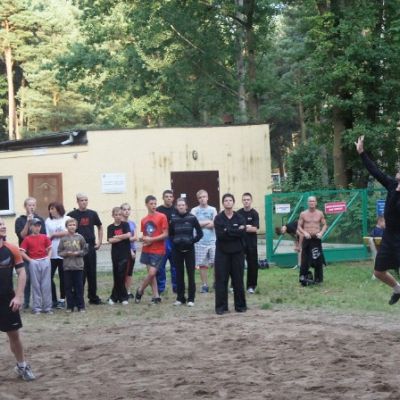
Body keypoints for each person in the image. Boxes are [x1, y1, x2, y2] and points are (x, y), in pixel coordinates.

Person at [356, 135, 400, 304]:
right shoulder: (391, 185)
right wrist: (362, 153)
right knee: (378, 272)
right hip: (389, 237)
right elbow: (375, 171)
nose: (398, 169)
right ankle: (398, 289)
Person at [0, 218, 36, 381]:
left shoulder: (12, 249)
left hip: (7, 299)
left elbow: (22, 272)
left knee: (14, 335)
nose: (2, 226)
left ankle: (22, 366)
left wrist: (19, 296)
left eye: (3, 224)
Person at [214, 193, 247, 315]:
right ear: (223, 203)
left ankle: (240, 306)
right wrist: (235, 231)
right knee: (221, 280)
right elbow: (220, 235)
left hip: (237, 253)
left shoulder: (240, 217)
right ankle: (221, 307)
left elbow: (242, 233)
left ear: (233, 202)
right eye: (226, 200)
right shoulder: (218, 218)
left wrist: (228, 230)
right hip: (222, 253)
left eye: (230, 200)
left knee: (238, 280)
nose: (228, 202)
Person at [68, 193, 103, 305]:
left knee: (92, 273)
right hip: (77, 247)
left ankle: (93, 297)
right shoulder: (71, 215)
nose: (84, 202)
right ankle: (78, 298)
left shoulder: (93, 214)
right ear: (77, 202)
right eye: (82, 200)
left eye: (86, 200)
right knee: (80, 273)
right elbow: (67, 229)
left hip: (90, 246)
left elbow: (100, 226)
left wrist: (100, 241)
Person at [169, 198, 203, 307]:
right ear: (176, 207)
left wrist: (192, 241)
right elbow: (170, 234)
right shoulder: (173, 218)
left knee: (191, 275)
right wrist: (175, 241)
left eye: (183, 205)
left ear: (186, 206)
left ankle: (191, 299)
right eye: (179, 205)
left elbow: (200, 233)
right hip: (177, 251)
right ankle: (180, 298)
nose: (181, 207)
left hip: (189, 251)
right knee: (179, 275)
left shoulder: (192, 218)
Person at [135, 195, 168, 304]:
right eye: (151, 204)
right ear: (146, 205)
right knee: (151, 274)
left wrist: (151, 239)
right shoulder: (144, 220)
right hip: (147, 249)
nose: (154, 206)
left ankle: (140, 290)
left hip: (158, 250)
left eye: (155, 203)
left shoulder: (162, 216)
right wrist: (143, 239)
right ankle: (156, 296)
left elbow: (165, 234)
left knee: (152, 273)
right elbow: (146, 235)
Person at [14, 197, 46, 309]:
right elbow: (22, 236)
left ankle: (41, 302)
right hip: (25, 254)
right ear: (25, 206)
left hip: (38, 254)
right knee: (26, 278)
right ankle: (26, 302)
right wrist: (28, 222)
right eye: (29, 205)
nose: (31, 207)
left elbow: (43, 236)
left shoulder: (40, 219)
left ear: (35, 206)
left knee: (39, 279)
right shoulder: (20, 220)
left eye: (33, 205)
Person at [20, 218, 53, 314]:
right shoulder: (27, 239)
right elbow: (21, 251)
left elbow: (50, 248)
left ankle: (47, 307)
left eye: (39, 226)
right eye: (35, 226)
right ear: (31, 227)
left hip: (45, 261)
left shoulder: (44, 237)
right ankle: (37, 308)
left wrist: (48, 258)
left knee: (46, 285)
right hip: (34, 262)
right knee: (36, 285)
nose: (37, 228)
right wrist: (30, 260)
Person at [58, 218, 88, 312]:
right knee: (68, 287)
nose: (72, 227)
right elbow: (59, 252)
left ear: (76, 226)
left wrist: (78, 253)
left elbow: (85, 250)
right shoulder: (63, 239)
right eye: (70, 225)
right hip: (67, 267)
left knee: (79, 287)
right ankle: (70, 306)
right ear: (66, 227)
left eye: (73, 225)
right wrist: (66, 253)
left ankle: (81, 306)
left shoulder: (80, 237)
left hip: (78, 267)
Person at [191, 190, 217, 293]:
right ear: (198, 199)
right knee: (202, 265)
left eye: (204, 197)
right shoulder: (194, 210)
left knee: (216, 263)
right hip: (200, 242)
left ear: (207, 197)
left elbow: (214, 223)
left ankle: (216, 282)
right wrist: (208, 221)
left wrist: (201, 224)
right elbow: (194, 224)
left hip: (212, 241)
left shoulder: (213, 209)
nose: (202, 199)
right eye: (200, 197)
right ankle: (204, 285)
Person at [297, 196, 327, 286]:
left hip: (316, 239)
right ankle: (303, 278)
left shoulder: (320, 213)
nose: (312, 203)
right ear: (308, 203)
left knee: (317, 259)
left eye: (313, 201)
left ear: (316, 202)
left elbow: (325, 225)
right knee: (305, 259)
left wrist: (321, 233)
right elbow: (299, 226)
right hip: (307, 239)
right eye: (310, 201)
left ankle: (318, 279)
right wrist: (304, 232)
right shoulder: (303, 214)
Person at [45, 202, 69, 309]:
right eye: (50, 209)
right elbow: (47, 237)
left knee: (63, 277)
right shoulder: (48, 221)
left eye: (52, 208)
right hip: (52, 253)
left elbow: (69, 232)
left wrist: (54, 234)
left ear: (59, 209)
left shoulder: (67, 219)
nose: (51, 211)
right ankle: (53, 300)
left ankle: (62, 299)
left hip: (64, 253)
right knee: (48, 276)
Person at [107, 207, 132, 305]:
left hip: (124, 253)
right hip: (115, 254)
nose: (118, 216)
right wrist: (122, 237)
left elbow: (128, 235)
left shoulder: (125, 225)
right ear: (113, 216)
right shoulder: (110, 227)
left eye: (119, 215)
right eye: (116, 215)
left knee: (121, 274)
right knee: (116, 274)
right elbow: (110, 240)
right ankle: (117, 297)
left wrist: (117, 237)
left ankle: (121, 297)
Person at [237, 193, 259, 294]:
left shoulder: (254, 213)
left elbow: (254, 229)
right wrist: (248, 227)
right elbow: (236, 228)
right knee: (238, 265)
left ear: (251, 201)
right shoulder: (238, 213)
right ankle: (236, 285)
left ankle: (251, 286)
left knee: (252, 265)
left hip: (251, 244)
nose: (246, 201)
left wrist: (244, 227)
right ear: (242, 201)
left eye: (248, 199)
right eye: (244, 200)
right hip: (240, 243)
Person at [156, 190, 177, 294]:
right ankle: (160, 288)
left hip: (174, 240)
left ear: (173, 198)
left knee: (175, 265)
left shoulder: (176, 210)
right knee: (161, 266)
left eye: (170, 196)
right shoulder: (158, 210)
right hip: (162, 240)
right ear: (163, 198)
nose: (169, 198)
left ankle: (176, 287)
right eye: (166, 196)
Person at [120, 203, 138, 298]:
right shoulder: (120, 224)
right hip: (124, 250)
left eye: (128, 209)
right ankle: (121, 291)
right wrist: (126, 239)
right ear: (121, 211)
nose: (126, 211)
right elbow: (121, 239)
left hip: (133, 249)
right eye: (124, 209)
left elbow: (135, 237)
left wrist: (127, 238)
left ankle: (128, 291)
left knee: (129, 271)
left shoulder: (132, 223)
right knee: (123, 271)